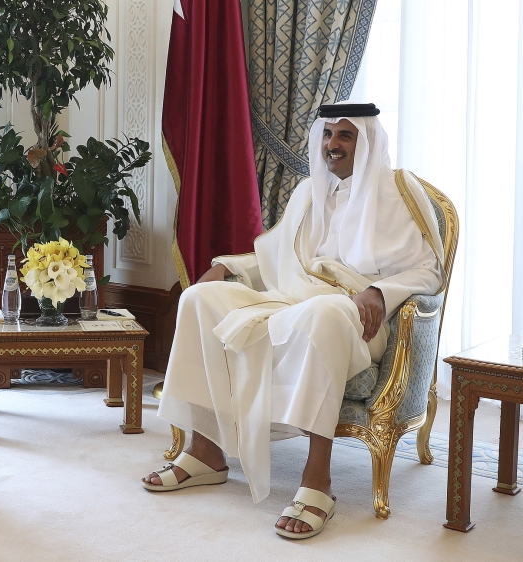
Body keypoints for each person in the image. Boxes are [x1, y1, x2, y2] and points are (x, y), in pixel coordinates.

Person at [141, 102, 444, 539]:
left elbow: (430, 270)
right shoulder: (308, 192)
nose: (332, 145)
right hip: (294, 300)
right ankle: (205, 450)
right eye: (327, 134)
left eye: (345, 135)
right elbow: (275, 255)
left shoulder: (399, 191)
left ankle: (317, 478)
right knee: (200, 298)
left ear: (368, 139)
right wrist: (228, 267)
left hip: (359, 317)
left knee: (324, 312)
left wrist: (379, 291)